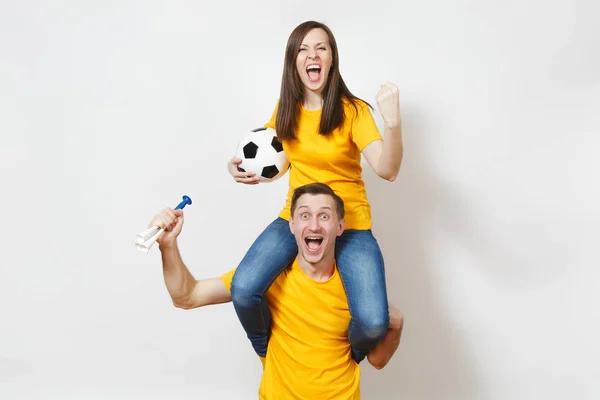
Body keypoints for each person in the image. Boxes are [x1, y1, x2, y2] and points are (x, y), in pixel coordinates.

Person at [227, 20, 403, 363]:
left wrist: (393, 125)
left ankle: (337, 360)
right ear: (294, 60)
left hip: (349, 226)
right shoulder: (285, 109)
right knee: (243, 289)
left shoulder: (353, 111)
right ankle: (271, 355)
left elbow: (388, 169)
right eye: (304, 49)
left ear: (332, 59)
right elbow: (267, 157)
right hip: (298, 220)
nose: (313, 55)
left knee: (372, 322)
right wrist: (232, 166)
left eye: (321, 48)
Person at [149, 182, 404, 399]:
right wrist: (167, 246)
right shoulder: (266, 279)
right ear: (291, 225)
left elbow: (377, 360)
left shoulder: (357, 289)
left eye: (324, 216)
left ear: (340, 227)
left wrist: (396, 324)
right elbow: (187, 296)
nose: (314, 226)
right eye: (305, 215)